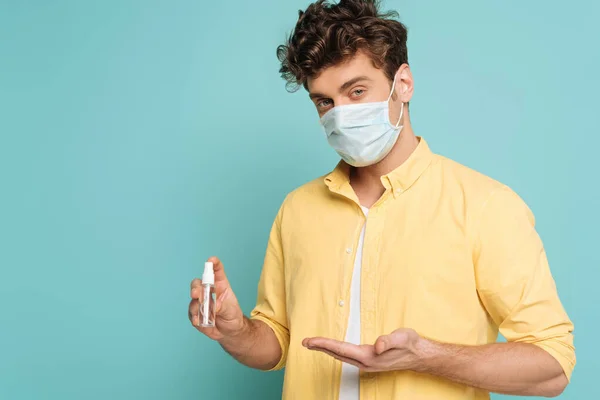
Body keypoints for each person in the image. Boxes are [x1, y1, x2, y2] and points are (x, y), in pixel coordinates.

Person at [188, 0, 576, 399]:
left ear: (402, 84)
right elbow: (278, 344)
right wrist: (236, 332)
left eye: (356, 91)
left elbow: (552, 365)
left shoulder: (485, 206)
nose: (340, 115)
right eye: (324, 102)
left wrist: (426, 356)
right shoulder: (297, 209)